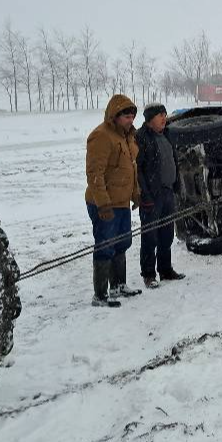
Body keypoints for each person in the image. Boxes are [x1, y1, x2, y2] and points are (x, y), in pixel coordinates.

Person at [86, 94, 142, 307]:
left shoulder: (127, 136)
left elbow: (131, 169)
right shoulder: (101, 136)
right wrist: (103, 204)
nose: (130, 120)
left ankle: (118, 285)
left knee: (122, 243)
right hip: (104, 203)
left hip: (121, 202)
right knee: (105, 246)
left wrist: (135, 194)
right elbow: (94, 174)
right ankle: (100, 295)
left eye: (132, 116)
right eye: (126, 116)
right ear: (114, 116)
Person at [136, 103, 186, 288]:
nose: (164, 118)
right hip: (152, 195)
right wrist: (145, 195)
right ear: (149, 119)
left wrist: (177, 185)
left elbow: (173, 161)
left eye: (165, 114)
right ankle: (149, 274)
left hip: (167, 191)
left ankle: (165, 270)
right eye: (159, 115)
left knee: (166, 235)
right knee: (150, 236)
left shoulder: (166, 135)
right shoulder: (141, 138)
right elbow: (138, 170)